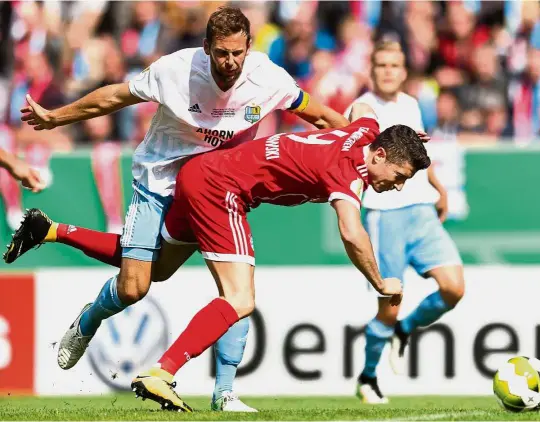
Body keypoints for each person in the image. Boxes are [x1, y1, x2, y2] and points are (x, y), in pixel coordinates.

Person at [6, 7, 350, 412]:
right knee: (139, 283)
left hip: (216, 189)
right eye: (221, 53)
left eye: (238, 53)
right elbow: (117, 95)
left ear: (249, 47)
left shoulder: (269, 78)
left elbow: (323, 117)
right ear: (206, 48)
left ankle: (224, 393)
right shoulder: (176, 70)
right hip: (159, 178)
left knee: (235, 289)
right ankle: (88, 319)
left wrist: (371, 143)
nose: (230, 63)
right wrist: (56, 118)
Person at [128, 103, 431, 412]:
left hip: (207, 174)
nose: (399, 186)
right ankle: (163, 373)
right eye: (399, 175)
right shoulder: (348, 173)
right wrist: (380, 282)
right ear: (379, 156)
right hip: (221, 188)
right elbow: (352, 233)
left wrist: (397, 139)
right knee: (240, 298)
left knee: (149, 267)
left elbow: (363, 107)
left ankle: (222, 393)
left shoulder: (365, 133)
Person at [345, 40, 465, 405]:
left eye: (394, 65)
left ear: (404, 70)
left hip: (422, 211)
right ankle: (368, 378)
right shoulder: (363, 107)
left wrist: (438, 188)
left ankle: (406, 330)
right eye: (381, 64)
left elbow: (416, 158)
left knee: (454, 288)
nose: (387, 71)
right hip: (386, 215)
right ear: (372, 68)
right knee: (389, 303)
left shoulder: (411, 105)